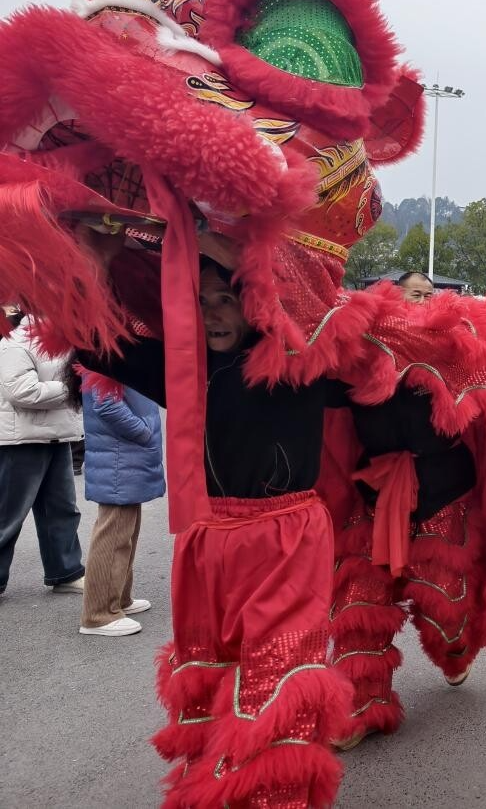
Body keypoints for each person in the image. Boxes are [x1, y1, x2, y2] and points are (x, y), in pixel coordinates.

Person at [85, 261, 354, 806]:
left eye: (224, 299)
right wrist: (97, 253)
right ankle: (218, 783)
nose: (211, 314)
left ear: (256, 301)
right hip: (206, 542)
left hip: (286, 540)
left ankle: (275, 795)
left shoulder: (300, 360)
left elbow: (314, 311)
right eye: (200, 300)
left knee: (275, 672)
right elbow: (93, 339)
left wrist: (216, 239)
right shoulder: (184, 365)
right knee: (212, 667)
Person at [0, 306, 85, 598]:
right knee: (7, 515)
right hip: (20, 441)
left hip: (56, 435)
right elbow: (20, 390)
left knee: (61, 510)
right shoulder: (17, 340)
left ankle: (66, 571)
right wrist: (70, 389)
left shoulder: (62, 338)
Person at [76, 378, 165, 637]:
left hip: (124, 454)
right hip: (120, 454)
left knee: (125, 531)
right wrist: (144, 431)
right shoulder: (104, 350)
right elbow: (106, 405)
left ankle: (119, 599)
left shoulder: (112, 349)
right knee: (114, 533)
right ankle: (98, 614)